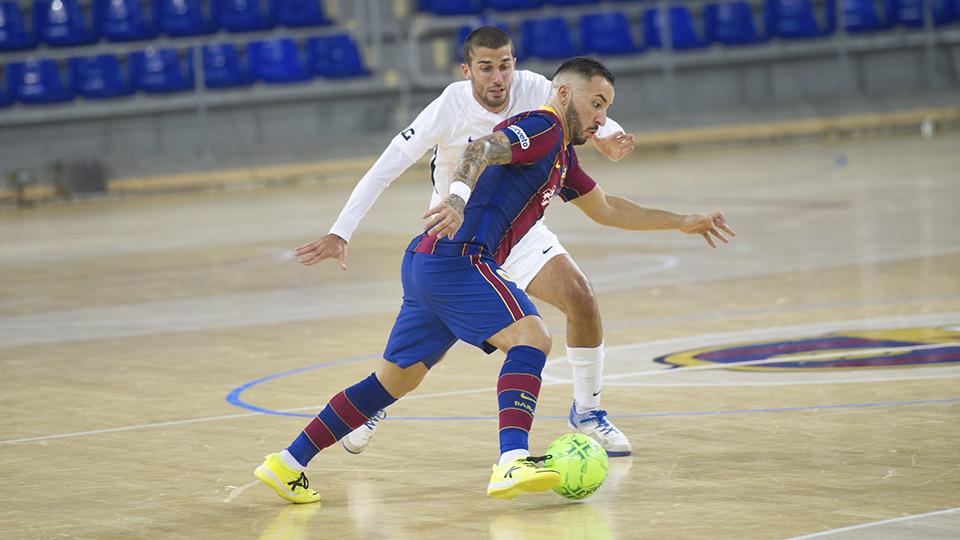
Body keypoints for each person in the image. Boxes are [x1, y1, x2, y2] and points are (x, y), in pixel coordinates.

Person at [254, 56, 735, 504]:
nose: (601, 117)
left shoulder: (562, 156)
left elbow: (607, 209)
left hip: (427, 264)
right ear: (564, 94)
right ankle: (512, 461)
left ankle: (288, 462)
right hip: (458, 257)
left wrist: (681, 220)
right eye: (597, 103)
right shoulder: (543, 128)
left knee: (388, 385)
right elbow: (482, 147)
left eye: (607, 107)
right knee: (533, 336)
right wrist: (459, 196)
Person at [294, 26, 638, 457]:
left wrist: (607, 136)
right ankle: (382, 403)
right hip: (459, 227)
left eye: (505, 66)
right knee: (443, 339)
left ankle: (587, 413)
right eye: (487, 68)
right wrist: (341, 231)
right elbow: (387, 167)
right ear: (467, 70)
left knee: (580, 296)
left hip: (520, 222)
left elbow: (589, 96)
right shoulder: (448, 106)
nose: (498, 78)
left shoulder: (535, 87)